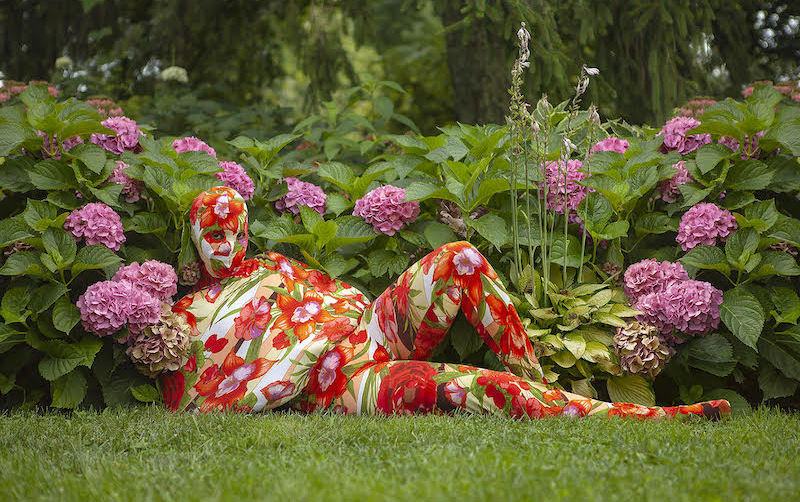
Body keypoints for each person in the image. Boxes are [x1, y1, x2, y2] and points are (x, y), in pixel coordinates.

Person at [161, 186, 730, 420]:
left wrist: (354, 324)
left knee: (460, 256)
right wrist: (297, 364)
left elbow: (341, 297)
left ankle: (545, 379)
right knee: (478, 389)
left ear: (243, 232)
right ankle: (655, 416)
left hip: (370, 335)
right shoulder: (191, 316)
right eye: (211, 233)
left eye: (231, 230)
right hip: (342, 383)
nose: (224, 243)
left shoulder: (275, 266)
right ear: (193, 237)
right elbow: (200, 400)